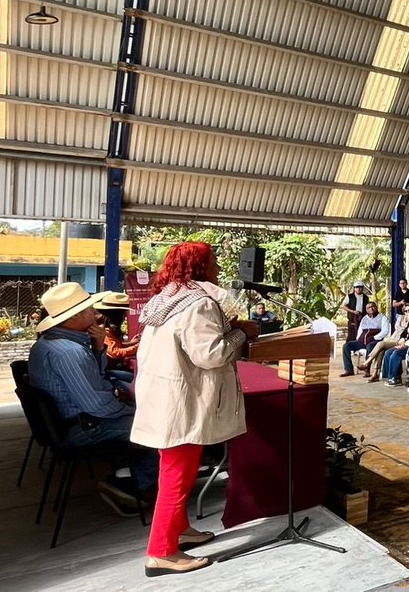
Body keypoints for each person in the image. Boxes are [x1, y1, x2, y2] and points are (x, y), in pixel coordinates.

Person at [133, 241, 261, 576]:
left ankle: (181, 529)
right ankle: (160, 552)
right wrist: (240, 333)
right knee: (176, 476)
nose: (217, 268)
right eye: (213, 262)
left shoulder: (166, 299)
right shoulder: (199, 304)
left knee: (179, 470)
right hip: (182, 402)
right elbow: (211, 355)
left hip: (164, 397)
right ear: (199, 267)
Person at [28, 283, 159, 519]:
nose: (97, 314)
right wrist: (129, 410)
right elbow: (96, 404)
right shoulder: (69, 352)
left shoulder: (52, 344)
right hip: (84, 426)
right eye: (90, 309)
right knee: (160, 428)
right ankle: (130, 486)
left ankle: (126, 473)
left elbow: (94, 378)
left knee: (146, 418)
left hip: (71, 424)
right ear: (75, 316)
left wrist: (99, 348)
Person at [95, 293, 138, 392]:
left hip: (112, 368)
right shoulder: (104, 330)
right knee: (135, 381)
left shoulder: (108, 328)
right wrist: (137, 347)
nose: (124, 316)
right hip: (108, 370)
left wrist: (131, 343)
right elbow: (114, 352)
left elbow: (114, 344)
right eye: (123, 314)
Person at [377, 306, 409, 385]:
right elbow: (404, 333)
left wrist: (405, 344)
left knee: (396, 353)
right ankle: (388, 376)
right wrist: (402, 339)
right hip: (405, 344)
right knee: (388, 352)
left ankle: (395, 378)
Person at [340, 302, 389, 377]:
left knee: (369, 346)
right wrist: (359, 339)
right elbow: (360, 330)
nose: (371, 308)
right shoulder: (365, 318)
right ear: (366, 310)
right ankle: (349, 369)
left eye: (372, 306)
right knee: (346, 346)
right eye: (368, 307)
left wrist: (374, 338)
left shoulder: (382, 317)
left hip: (375, 341)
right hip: (363, 341)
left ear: (376, 307)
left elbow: (385, 331)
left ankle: (367, 370)